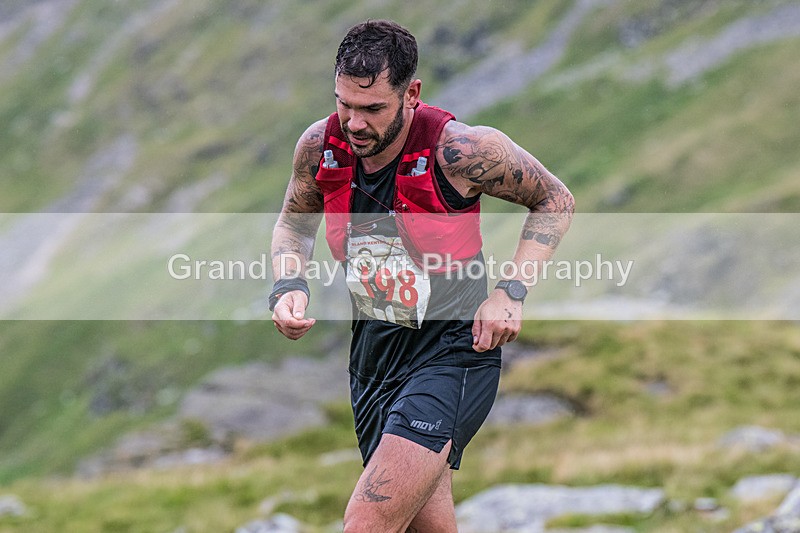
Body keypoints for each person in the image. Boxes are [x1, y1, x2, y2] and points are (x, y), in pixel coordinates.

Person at [270, 19, 574, 533]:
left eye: (372, 109)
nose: (355, 123)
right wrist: (288, 286)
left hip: (452, 353)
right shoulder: (320, 147)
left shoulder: (462, 151)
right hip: (373, 358)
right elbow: (293, 224)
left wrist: (510, 293)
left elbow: (555, 199)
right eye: (345, 104)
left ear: (411, 94)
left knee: (367, 522)